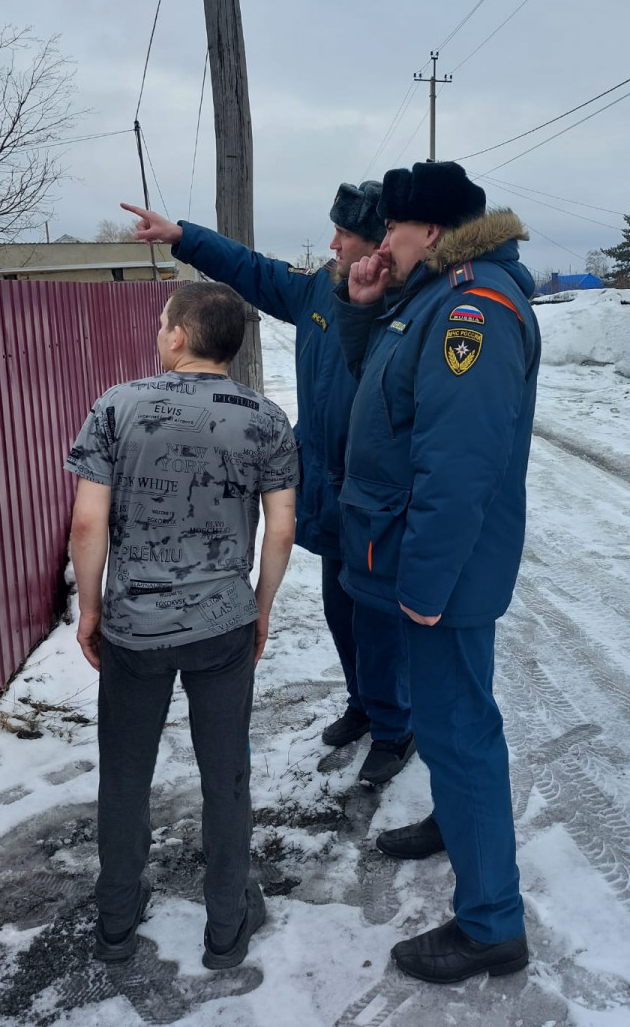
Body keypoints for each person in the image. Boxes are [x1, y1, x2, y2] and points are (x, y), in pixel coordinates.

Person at [124, 191, 415, 787]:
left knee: (379, 619)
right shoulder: (317, 290)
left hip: (380, 493)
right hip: (329, 487)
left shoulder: (407, 303)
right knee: (341, 607)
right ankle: (364, 704)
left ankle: (395, 727)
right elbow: (252, 271)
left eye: (344, 235)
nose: (333, 244)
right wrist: (183, 237)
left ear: (379, 241)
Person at [335, 160, 539, 983]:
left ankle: (492, 923)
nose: (383, 240)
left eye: (393, 227)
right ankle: (458, 826)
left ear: (433, 230)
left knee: (459, 731)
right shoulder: (428, 297)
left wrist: (423, 585)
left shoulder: (474, 308)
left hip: (439, 570)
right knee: (455, 724)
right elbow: (377, 392)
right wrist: (361, 306)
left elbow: (458, 467)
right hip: (415, 558)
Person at [65, 282, 298, 967]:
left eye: (164, 321)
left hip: (134, 628)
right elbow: (281, 529)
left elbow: (86, 521)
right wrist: (261, 607)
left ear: (177, 336)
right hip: (223, 626)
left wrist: (90, 610)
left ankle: (116, 920)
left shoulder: (116, 406)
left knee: (126, 772)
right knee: (226, 775)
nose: (160, 329)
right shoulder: (266, 419)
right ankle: (226, 925)